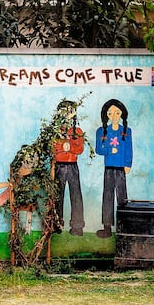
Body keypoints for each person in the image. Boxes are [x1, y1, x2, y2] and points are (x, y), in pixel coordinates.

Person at [95, 99, 132, 238]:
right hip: (109, 168)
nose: (114, 116)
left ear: (122, 113)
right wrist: (110, 150)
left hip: (121, 168)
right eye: (110, 113)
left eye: (117, 113)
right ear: (107, 115)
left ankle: (124, 227)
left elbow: (129, 149)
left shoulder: (126, 131)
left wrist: (128, 163)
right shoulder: (102, 131)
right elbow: (99, 149)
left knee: (122, 197)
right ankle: (107, 227)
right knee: (108, 196)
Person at [53, 99, 85, 236]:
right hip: (59, 166)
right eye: (64, 111)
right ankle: (56, 223)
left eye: (70, 111)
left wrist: (70, 147)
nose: (67, 114)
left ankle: (77, 226)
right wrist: (61, 147)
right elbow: (52, 148)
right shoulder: (55, 132)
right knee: (57, 195)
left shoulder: (77, 131)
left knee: (76, 195)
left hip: (72, 166)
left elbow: (80, 149)